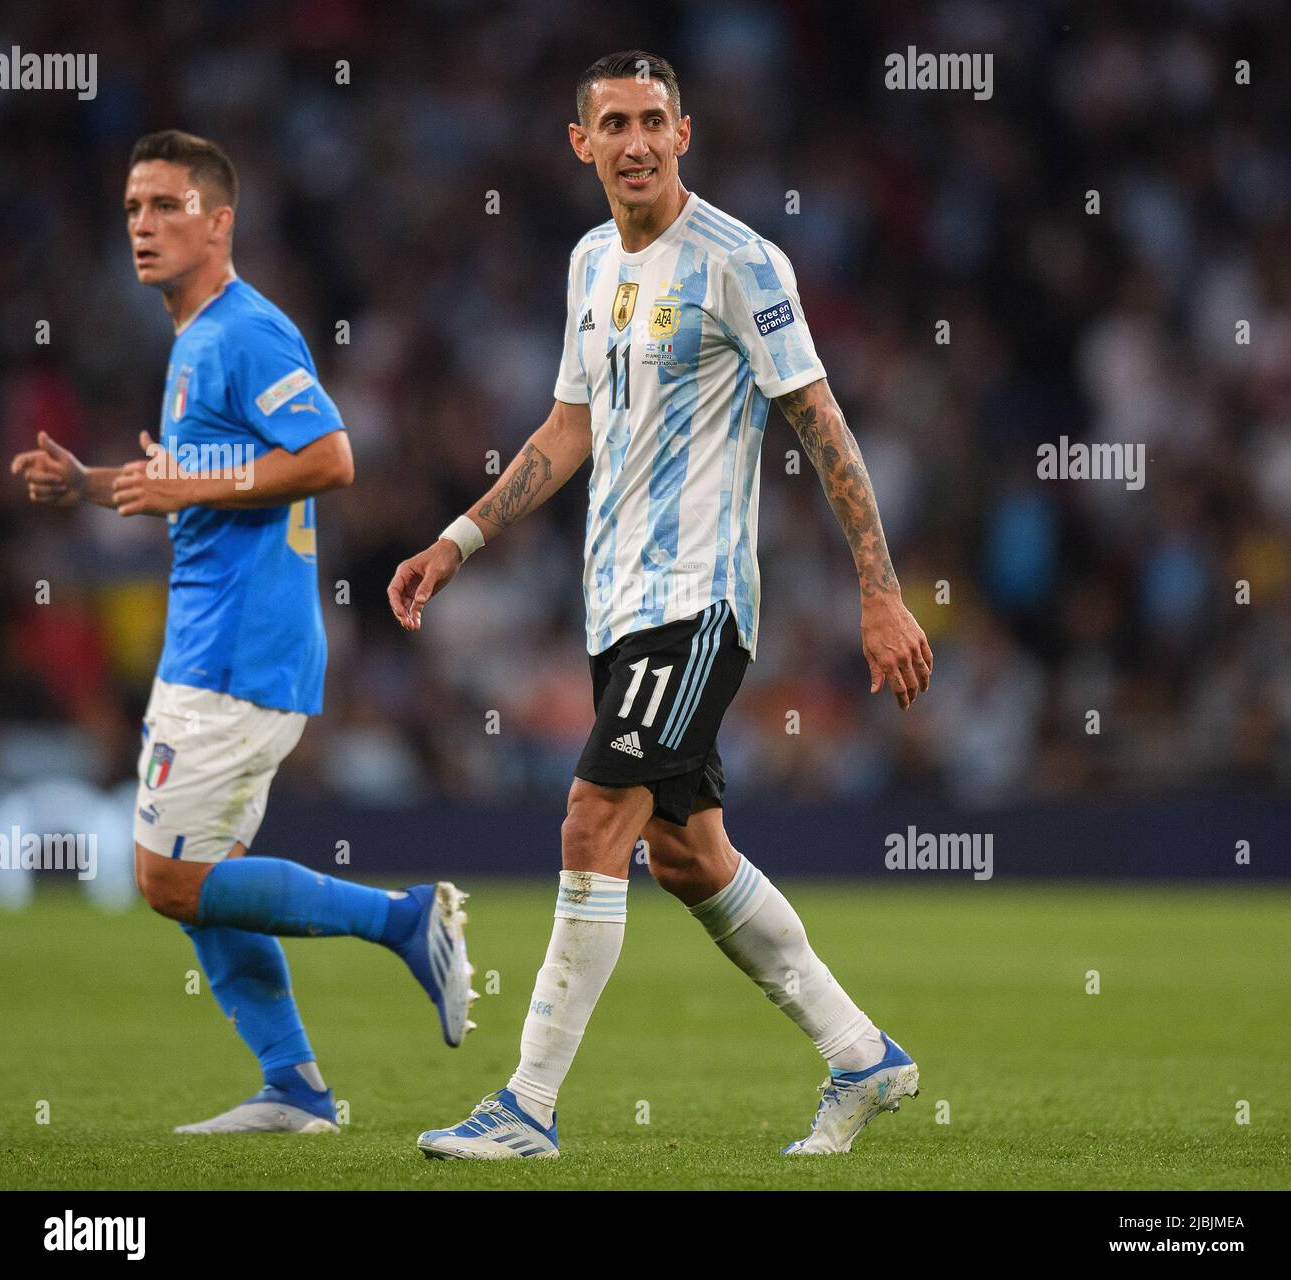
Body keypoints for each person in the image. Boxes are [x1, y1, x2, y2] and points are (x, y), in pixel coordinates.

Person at [388, 51, 931, 1159]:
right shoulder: (590, 261)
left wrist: (881, 592)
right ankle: (863, 1054)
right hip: (615, 610)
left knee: (591, 818)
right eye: (613, 124)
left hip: (698, 603)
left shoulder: (741, 262)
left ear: (685, 134)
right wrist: (458, 539)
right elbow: (564, 432)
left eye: (653, 121)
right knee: (686, 856)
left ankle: (526, 1106)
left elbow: (822, 426)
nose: (635, 142)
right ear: (578, 143)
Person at [12, 129, 475, 1135]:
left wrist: (195, 480)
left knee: (167, 878)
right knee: (200, 879)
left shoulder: (243, 332)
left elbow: (332, 457)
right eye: (134, 207)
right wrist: (94, 484)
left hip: (235, 654)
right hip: (216, 646)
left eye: (167, 206)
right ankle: (296, 1086)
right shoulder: (192, 343)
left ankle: (404, 918)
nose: (143, 224)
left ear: (220, 223)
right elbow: (206, 494)